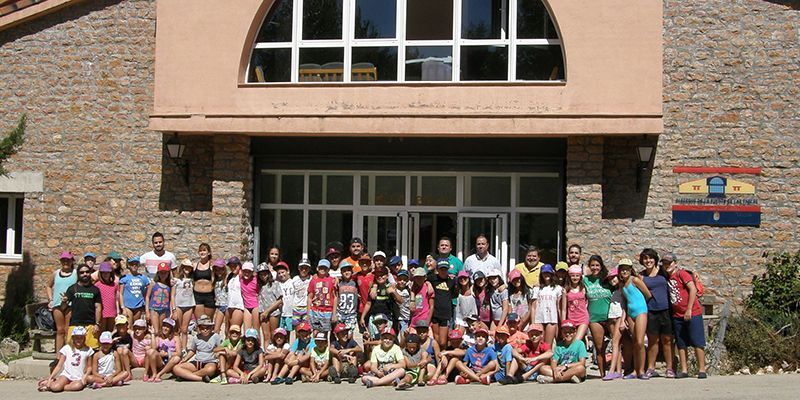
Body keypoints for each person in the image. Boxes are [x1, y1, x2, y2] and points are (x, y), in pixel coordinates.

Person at [663, 253, 707, 379]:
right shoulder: (667, 277)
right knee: (681, 343)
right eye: (665, 263)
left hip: (692, 312)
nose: (667, 266)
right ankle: (684, 369)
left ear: (675, 263)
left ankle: (702, 369)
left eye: (669, 263)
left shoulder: (682, 274)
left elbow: (692, 289)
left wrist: (688, 309)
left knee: (697, 341)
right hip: (677, 314)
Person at [639, 248, 675, 379]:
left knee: (667, 340)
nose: (648, 261)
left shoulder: (663, 271)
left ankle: (670, 368)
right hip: (651, 311)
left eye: (650, 258)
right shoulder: (641, 276)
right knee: (653, 341)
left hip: (665, 310)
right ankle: (651, 367)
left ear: (655, 259)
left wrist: (693, 274)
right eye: (645, 258)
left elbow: (677, 272)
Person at [618, 258, 651, 380]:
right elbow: (626, 301)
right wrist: (625, 317)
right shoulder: (622, 284)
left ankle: (641, 370)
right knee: (634, 342)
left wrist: (641, 306)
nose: (624, 271)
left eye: (626, 269)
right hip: (630, 313)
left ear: (631, 269)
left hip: (641, 311)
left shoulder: (635, 280)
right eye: (622, 269)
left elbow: (648, 294)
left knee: (640, 342)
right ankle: (635, 370)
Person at [38, 326, 94, 392]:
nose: (79, 340)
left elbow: (90, 367)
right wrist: (51, 377)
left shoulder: (88, 350)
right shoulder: (66, 348)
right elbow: (59, 365)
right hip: (67, 375)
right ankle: (52, 382)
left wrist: (85, 376)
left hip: (79, 377)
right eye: (77, 338)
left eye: (81, 338)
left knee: (77, 386)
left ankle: (60, 386)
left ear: (84, 338)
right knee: (56, 388)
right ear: (73, 338)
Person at [584, 255, 613, 377]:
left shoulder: (607, 280)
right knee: (599, 347)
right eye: (592, 265)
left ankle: (616, 371)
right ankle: (602, 374)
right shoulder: (585, 280)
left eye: (597, 265)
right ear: (589, 267)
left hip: (610, 316)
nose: (595, 268)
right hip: (594, 317)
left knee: (617, 344)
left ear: (601, 266)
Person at [63, 264, 102, 350]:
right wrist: (64, 302)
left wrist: (97, 324)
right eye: (82, 272)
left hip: (90, 325)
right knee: (72, 350)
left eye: (87, 272)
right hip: (75, 324)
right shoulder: (72, 289)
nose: (85, 274)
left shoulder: (95, 289)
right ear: (78, 274)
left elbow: (98, 307)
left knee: (92, 351)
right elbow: (63, 307)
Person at [172, 315, 221, 382]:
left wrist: (220, 361)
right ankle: (200, 378)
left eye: (207, 328)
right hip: (197, 361)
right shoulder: (196, 337)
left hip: (210, 361)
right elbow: (193, 350)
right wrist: (185, 359)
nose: (205, 330)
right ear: (199, 328)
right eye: (202, 328)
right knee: (176, 368)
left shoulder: (216, 336)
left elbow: (220, 349)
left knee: (210, 369)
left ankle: (186, 377)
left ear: (211, 327)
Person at [48, 251, 77, 353]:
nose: (66, 262)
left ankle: (68, 354)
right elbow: (48, 286)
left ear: (72, 261)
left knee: (68, 330)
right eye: (63, 260)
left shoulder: (75, 273)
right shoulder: (56, 273)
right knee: (60, 330)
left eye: (68, 260)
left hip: (71, 305)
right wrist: (50, 299)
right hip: (57, 305)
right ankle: (58, 355)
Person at [362, 266, 399, 340]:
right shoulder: (373, 288)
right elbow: (368, 303)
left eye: (382, 275)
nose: (380, 277)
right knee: (373, 339)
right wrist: (362, 317)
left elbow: (400, 301)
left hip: (387, 319)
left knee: (386, 339)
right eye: (377, 275)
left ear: (387, 276)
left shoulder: (390, 287)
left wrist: (394, 292)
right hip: (374, 319)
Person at [603, 267, 626, 381]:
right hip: (611, 317)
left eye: (614, 277)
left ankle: (612, 371)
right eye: (610, 278)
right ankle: (618, 370)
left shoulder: (623, 289)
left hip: (619, 317)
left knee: (615, 343)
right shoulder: (614, 290)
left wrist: (622, 320)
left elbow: (625, 306)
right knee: (616, 343)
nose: (612, 280)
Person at [428, 259, 457, 349]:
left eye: (445, 269)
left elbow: (454, 294)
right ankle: (438, 359)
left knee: (443, 341)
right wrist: (428, 284)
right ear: (437, 269)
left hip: (446, 313)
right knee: (436, 338)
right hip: (435, 312)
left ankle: (443, 356)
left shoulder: (451, 280)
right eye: (441, 269)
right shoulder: (432, 278)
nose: (443, 271)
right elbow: (422, 279)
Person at [531, 264, 561, 347]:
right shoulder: (537, 288)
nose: (546, 275)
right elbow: (533, 307)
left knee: (547, 346)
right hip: (539, 319)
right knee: (538, 345)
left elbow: (559, 307)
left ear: (552, 274)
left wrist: (560, 322)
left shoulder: (558, 288)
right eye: (544, 273)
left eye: (548, 273)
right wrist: (533, 323)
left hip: (552, 319)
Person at [118, 257, 149, 329]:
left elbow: (147, 291)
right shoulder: (124, 278)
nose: (134, 266)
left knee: (136, 326)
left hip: (138, 305)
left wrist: (144, 304)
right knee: (129, 326)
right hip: (127, 306)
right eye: (132, 264)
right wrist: (123, 307)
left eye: (136, 264)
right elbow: (121, 293)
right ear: (129, 266)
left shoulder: (143, 278)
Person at [308, 259, 337, 334]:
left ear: (328, 269)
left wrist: (334, 313)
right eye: (321, 267)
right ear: (317, 268)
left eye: (325, 268)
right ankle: (315, 346)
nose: (322, 269)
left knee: (324, 333)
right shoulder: (313, 280)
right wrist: (308, 313)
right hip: (315, 310)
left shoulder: (332, 280)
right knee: (315, 332)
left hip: (327, 311)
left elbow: (335, 297)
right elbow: (309, 297)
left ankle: (325, 346)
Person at [561, 265, 589, 341]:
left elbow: (587, 302)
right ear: (569, 276)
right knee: (571, 341)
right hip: (571, 319)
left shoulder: (583, 288)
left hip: (583, 318)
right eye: (573, 275)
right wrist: (563, 323)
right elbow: (563, 309)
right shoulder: (566, 290)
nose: (575, 278)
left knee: (576, 341)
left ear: (580, 276)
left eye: (577, 275)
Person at [257, 262, 283, 345]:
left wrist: (267, 311)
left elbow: (280, 300)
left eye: (265, 274)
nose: (263, 276)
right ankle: (266, 353)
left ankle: (274, 352)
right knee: (266, 335)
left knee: (273, 334)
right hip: (262, 312)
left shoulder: (275, 284)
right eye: (261, 274)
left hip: (273, 312)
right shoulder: (259, 286)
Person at [149, 318, 181, 382]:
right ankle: (154, 374)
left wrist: (167, 354)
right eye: (164, 326)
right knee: (151, 352)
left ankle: (159, 374)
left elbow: (179, 353)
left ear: (171, 329)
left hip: (170, 360)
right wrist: (152, 334)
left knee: (177, 358)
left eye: (168, 327)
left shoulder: (176, 338)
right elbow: (153, 348)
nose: (165, 328)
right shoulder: (159, 337)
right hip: (160, 360)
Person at [173, 259, 196, 350]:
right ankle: (177, 347)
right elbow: (173, 295)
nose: (187, 269)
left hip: (189, 305)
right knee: (177, 329)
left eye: (189, 267)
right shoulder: (176, 280)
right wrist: (174, 308)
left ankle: (184, 348)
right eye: (185, 267)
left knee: (185, 329)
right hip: (179, 305)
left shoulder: (192, 279)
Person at [145, 262, 172, 335]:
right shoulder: (153, 283)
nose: (163, 275)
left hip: (164, 310)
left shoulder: (169, 285)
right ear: (158, 273)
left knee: (161, 331)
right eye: (161, 273)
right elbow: (147, 297)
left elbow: (170, 299)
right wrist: (147, 311)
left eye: (165, 273)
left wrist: (171, 311)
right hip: (154, 309)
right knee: (155, 331)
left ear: (168, 273)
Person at [192, 243, 216, 321]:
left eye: (204, 250)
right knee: (199, 322)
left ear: (208, 252)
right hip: (197, 296)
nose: (202, 252)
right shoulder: (195, 265)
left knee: (208, 322)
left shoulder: (212, 265)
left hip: (209, 295)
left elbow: (220, 276)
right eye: (200, 251)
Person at [94, 262, 119, 334]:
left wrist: (118, 311)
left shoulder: (114, 284)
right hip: (102, 312)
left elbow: (116, 299)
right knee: (102, 332)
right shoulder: (97, 285)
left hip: (112, 311)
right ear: (100, 273)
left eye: (107, 272)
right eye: (103, 272)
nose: (105, 274)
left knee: (110, 332)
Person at [336, 260, 359, 334]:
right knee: (340, 333)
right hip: (340, 313)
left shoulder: (355, 282)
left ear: (352, 272)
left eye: (349, 270)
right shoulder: (339, 283)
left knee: (349, 335)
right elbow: (336, 297)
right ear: (341, 272)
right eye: (344, 271)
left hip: (351, 314)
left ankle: (350, 346)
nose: (346, 272)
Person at [238, 261, 260, 330]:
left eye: (249, 271)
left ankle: (258, 341)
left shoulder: (256, 280)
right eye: (245, 271)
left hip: (255, 306)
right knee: (246, 330)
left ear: (252, 272)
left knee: (256, 329)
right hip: (246, 306)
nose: (246, 273)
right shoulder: (240, 279)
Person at [291, 258, 313, 328]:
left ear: (309, 269)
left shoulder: (311, 279)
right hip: (296, 307)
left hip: (307, 308)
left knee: (305, 328)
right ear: (298, 268)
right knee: (297, 328)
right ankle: (297, 339)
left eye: (306, 268)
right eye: (302, 268)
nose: (304, 270)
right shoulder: (295, 279)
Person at [275, 261, 295, 333]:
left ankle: (289, 344)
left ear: (288, 271)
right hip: (281, 313)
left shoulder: (293, 282)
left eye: (283, 272)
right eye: (279, 273)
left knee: (290, 332)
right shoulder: (277, 284)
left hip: (291, 313)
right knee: (281, 332)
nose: (281, 275)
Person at [225, 257, 245, 329]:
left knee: (234, 329)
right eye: (231, 266)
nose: (233, 268)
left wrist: (242, 272)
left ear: (239, 265)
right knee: (227, 331)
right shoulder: (230, 276)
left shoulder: (243, 276)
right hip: (230, 305)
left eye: (235, 266)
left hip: (238, 306)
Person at [111, 315, 133, 379]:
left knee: (124, 350)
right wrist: (112, 340)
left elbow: (139, 336)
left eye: (123, 324)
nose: (121, 326)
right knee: (120, 349)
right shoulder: (113, 336)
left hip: (129, 357)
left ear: (127, 325)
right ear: (116, 326)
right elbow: (103, 346)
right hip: (118, 359)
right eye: (119, 325)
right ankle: (123, 371)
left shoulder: (130, 335)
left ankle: (128, 373)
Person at [211, 258, 229, 334]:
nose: (219, 272)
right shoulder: (215, 280)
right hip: (219, 305)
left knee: (227, 329)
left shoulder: (227, 278)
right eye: (217, 270)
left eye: (221, 269)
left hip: (227, 305)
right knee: (216, 328)